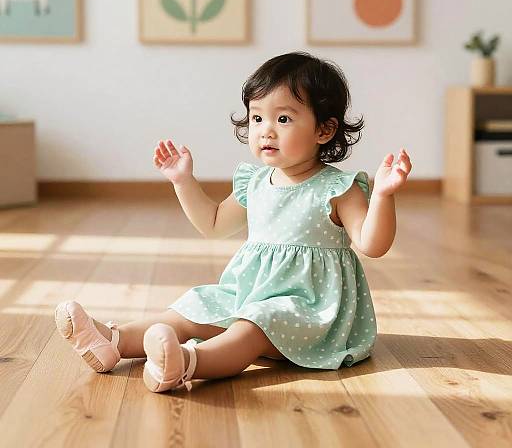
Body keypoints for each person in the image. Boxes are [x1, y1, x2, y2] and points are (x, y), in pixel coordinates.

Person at [55, 51, 412, 393]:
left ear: (324, 130)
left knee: (252, 328)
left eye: (283, 119)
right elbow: (213, 223)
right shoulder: (255, 183)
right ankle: (114, 341)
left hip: (310, 311)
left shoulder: (338, 188)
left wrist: (383, 195)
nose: (265, 131)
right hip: (250, 295)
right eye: (257, 118)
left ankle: (188, 362)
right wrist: (183, 181)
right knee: (196, 306)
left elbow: (372, 244)